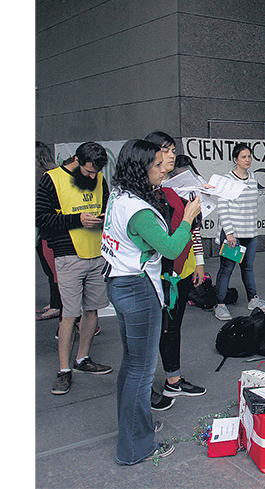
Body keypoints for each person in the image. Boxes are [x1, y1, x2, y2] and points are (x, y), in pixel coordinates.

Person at [101, 138, 202, 465]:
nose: (164, 170)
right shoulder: (138, 210)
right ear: (139, 168)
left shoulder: (120, 194)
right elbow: (172, 249)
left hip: (120, 282)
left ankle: (135, 426)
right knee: (141, 372)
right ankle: (135, 447)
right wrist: (188, 217)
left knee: (132, 364)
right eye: (157, 166)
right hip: (137, 288)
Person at [143, 132, 217, 408]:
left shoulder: (178, 186)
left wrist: (199, 260)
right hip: (158, 270)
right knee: (155, 330)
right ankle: (146, 386)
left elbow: (191, 227)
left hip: (182, 266)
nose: (171, 155)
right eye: (164, 150)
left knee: (172, 327)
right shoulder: (146, 190)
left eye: (173, 149)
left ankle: (173, 380)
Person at [36, 141, 113, 395]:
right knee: (69, 314)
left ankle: (82, 359)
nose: (93, 176)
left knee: (92, 310)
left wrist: (102, 220)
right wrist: (76, 220)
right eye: (89, 171)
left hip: (97, 251)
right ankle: (63, 370)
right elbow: (40, 217)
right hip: (68, 253)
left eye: (96, 172)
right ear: (77, 161)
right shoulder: (52, 179)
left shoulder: (100, 178)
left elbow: (108, 209)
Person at [214, 142, 265, 321]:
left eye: (249, 156)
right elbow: (222, 207)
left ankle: (253, 299)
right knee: (227, 268)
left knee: (248, 268)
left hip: (250, 233)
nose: (247, 160)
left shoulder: (252, 178)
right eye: (243, 157)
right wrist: (229, 233)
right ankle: (220, 304)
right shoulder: (227, 179)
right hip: (233, 234)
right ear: (235, 159)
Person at [35, 141, 63, 321]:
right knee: (51, 269)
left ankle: (58, 306)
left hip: (46, 229)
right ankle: (55, 304)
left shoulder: (41, 175)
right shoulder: (53, 174)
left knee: (53, 269)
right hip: (48, 228)